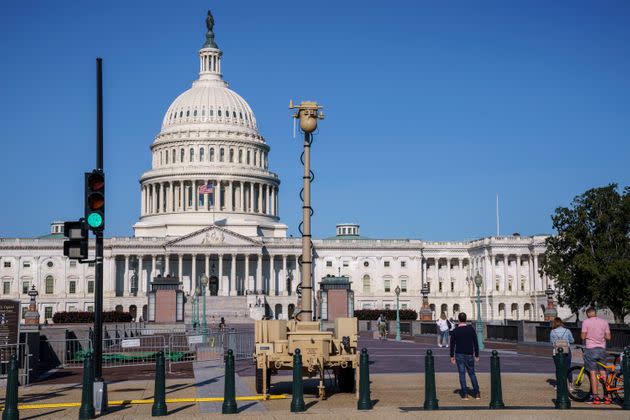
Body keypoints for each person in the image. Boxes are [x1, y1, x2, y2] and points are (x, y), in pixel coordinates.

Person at [581, 307, 611, 405]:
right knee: (603, 372)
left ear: (588, 314)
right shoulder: (604, 322)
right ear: (595, 313)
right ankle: (606, 396)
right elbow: (608, 337)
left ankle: (595, 397)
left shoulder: (586, 322)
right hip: (602, 349)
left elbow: (583, 336)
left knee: (593, 373)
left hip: (591, 349)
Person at [450, 312, 480, 400]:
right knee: (472, 374)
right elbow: (475, 343)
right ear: (466, 319)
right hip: (470, 354)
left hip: (459, 354)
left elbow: (452, 345)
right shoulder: (471, 329)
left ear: (458, 320)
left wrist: (452, 356)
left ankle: (465, 394)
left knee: (462, 374)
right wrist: (477, 355)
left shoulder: (455, 331)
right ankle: (477, 393)